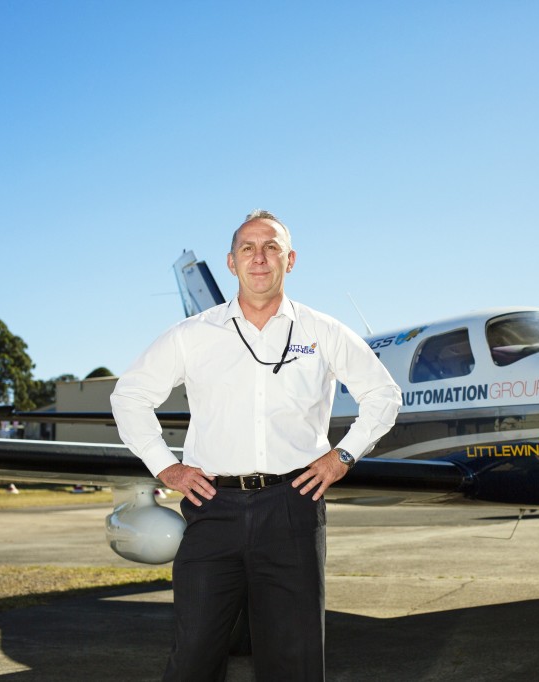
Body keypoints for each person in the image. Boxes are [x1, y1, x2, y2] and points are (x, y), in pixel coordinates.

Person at [110, 210, 401, 681]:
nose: (260, 258)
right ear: (231, 262)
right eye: (248, 248)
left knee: (295, 659)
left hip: (293, 508)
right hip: (212, 509)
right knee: (194, 656)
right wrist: (167, 468)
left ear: (290, 259)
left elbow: (384, 395)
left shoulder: (322, 331)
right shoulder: (193, 334)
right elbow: (129, 396)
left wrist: (343, 455)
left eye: (271, 247)